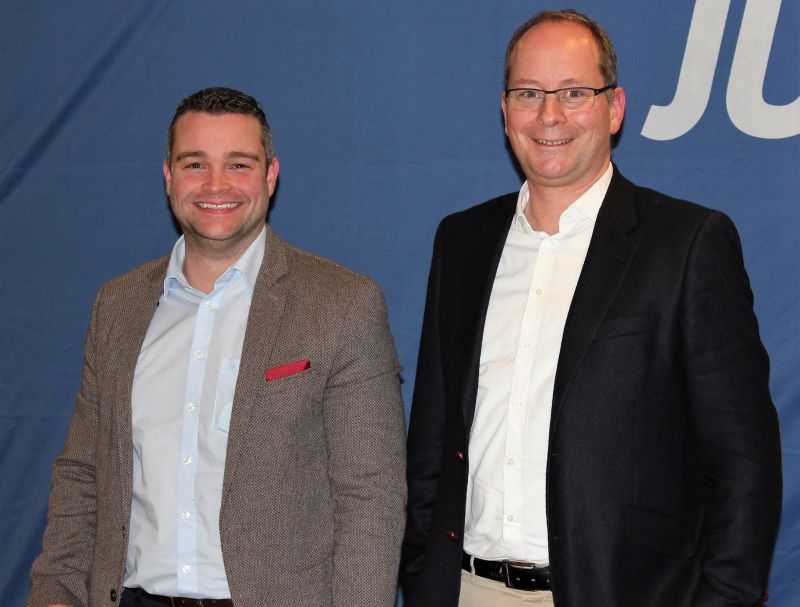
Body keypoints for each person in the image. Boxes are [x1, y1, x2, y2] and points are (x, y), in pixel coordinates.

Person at [401, 9, 781, 607]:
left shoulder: (685, 243)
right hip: (466, 589)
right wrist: (423, 573)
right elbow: (432, 438)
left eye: (575, 92)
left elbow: (743, 462)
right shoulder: (463, 242)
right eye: (529, 93)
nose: (549, 115)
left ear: (615, 107)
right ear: (505, 111)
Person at [28, 87, 406, 607]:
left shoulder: (342, 305)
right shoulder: (116, 307)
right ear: (168, 177)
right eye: (194, 164)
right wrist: (54, 594)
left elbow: (372, 498)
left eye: (239, 164)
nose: (216, 185)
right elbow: (82, 476)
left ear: (271, 176)